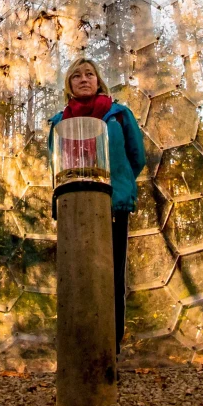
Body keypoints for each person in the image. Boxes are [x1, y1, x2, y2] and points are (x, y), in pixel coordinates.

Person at [47, 59, 146, 354]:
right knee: (78, 272)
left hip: (112, 204)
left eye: (89, 74)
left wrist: (120, 184)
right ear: (69, 84)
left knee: (111, 274)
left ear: (99, 80)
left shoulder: (119, 115)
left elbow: (136, 156)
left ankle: (110, 346)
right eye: (76, 75)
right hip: (74, 206)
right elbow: (55, 163)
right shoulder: (59, 122)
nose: (83, 79)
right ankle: (80, 346)